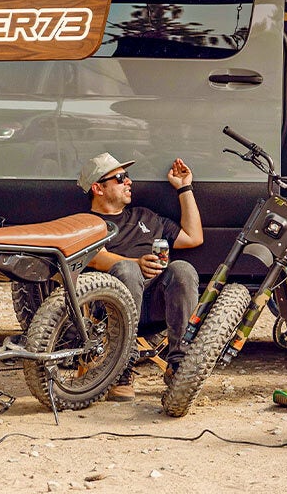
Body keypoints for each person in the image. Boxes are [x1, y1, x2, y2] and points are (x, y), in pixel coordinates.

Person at [78, 151, 204, 401]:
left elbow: (193, 237)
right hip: (111, 309)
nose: (129, 182)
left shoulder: (144, 217)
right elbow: (96, 257)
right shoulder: (87, 222)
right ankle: (121, 367)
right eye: (120, 178)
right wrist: (135, 263)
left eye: (128, 177)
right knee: (127, 270)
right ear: (98, 188)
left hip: (154, 306)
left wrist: (184, 189)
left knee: (183, 270)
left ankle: (179, 365)